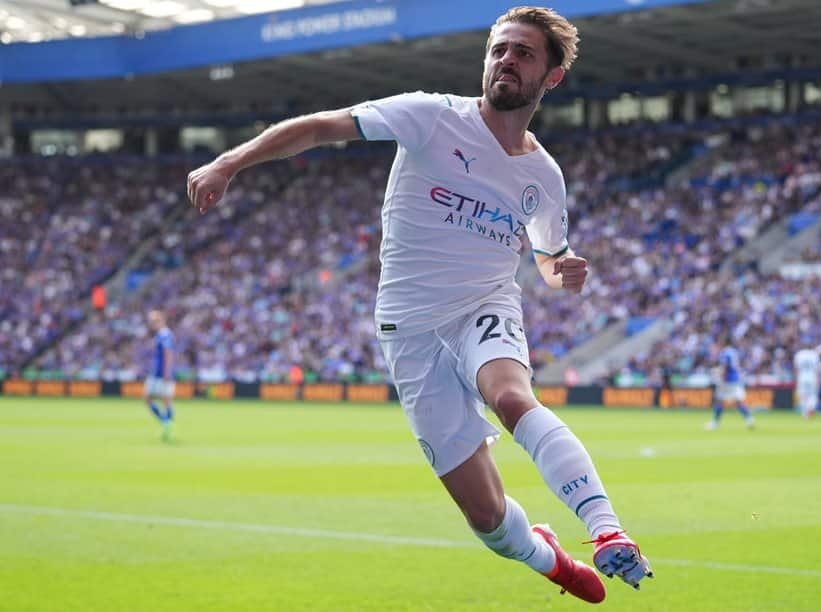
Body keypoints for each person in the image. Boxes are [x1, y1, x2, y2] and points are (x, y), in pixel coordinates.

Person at [186, 7, 650, 603]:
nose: (506, 60)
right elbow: (324, 126)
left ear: (551, 78)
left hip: (483, 307)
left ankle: (606, 528)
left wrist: (562, 272)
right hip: (409, 332)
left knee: (509, 395)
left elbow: (548, 259)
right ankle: (546, 557)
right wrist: (230, 162)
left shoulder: (544, 176)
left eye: (524, 54)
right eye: (499, 50)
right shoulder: (431, 116)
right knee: (488, 522)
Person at [706, 338, 754, 430]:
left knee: (719, 400)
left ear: (724, 342)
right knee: (738, 402)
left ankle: (715, 423)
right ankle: (749, 420)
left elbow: (724, 366)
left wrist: (720, 377)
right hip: (736, 379)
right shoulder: (734, 352)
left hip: (728, 380)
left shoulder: (725, 353)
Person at [144, 310, 175, 442]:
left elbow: (168, 353)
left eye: (152, 321)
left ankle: (166, 423)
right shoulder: (162, 335)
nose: (150, 324)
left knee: (151, 398)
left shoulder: (164, 334)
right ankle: (166, 423)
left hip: (161, 373)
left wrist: (167, 372)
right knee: (163, 400)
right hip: (159, 372)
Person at [793, 348, 820, 419]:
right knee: (813, 395)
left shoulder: (799, 354)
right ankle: (811, 407)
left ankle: (805, 414)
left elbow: (796, 368)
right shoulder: (814, 354)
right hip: (812, 378)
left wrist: (797, 379)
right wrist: (817, 379)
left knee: (803, 396)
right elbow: (816, 369)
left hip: (802, 378)